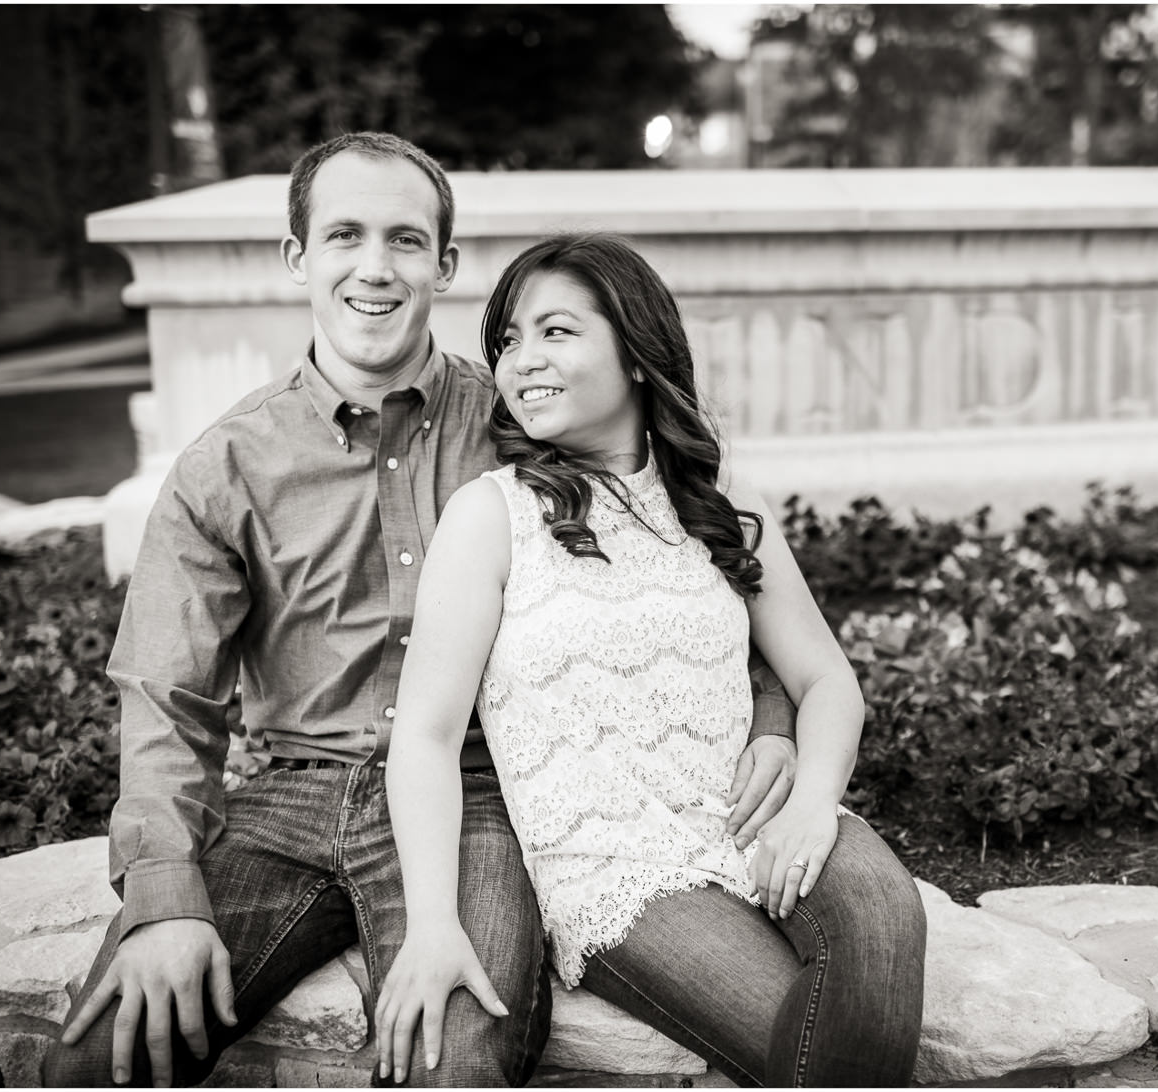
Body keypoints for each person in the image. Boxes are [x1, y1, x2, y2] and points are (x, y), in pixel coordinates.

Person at [60, 133, 802, 1087]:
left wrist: (773, 727)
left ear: (444, 267)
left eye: (406, 240)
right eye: (344, 236)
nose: (376, 267)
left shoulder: (527, 421)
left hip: (476, 794)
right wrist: (164, 897)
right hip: (292, 793)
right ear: (299, 259)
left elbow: (692, 587)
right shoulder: (227, 465)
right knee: (101, 1052)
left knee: (459, 1050)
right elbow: (166, 696)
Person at [372, 234, 928, 1086]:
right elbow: (426, 736)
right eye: (509, 340)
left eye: (555, 331)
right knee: (803, 1034)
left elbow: (826, 680)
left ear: (635, 351)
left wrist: (815, 801)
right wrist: (432, 921)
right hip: (619, 873)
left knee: (886, 916)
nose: (522, 361)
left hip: (754, 820)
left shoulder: (722, 510)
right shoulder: (492, 516)